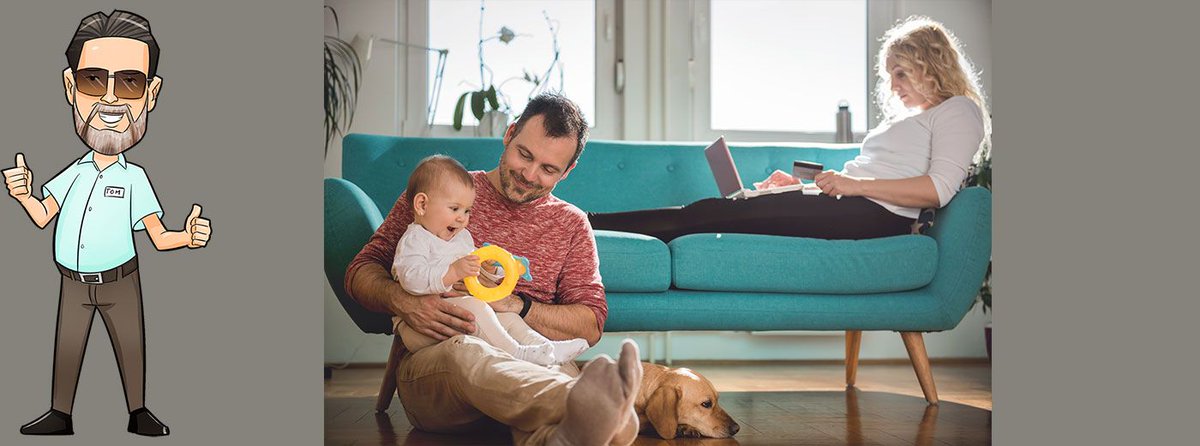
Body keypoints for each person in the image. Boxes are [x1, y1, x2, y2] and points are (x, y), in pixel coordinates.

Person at [345, 93, 644, 446]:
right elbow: (360, 271)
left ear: (568, 171)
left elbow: (590, 324)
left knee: (551, 372)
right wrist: (405, 302)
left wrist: (517, 305)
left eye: (548, 169)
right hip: (445, 365)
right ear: (509, 133)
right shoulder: (445, 191)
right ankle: (593, 412)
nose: (529, 174)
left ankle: (568, 429)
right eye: (524, 155)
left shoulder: (571, 225)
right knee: (471, 353)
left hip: (535, 361)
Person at [588, 16, 991, 242]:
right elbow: (870, 175)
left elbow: (938, 190)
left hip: (874, 216)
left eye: (901, 73)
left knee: (709, 214)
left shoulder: (959, 110)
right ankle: (587, 223)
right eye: (890, 76)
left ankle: (587, 224)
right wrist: (805, 187)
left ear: (930, 65)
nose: (894, 85)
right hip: (851, 203)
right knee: (716, 210)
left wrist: (853, 185)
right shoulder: (912, 119)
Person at [3, 10, 211, 437]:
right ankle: (59, 414)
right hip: (72, 282)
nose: (111, 100)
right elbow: (43, 215)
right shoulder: (74, 172)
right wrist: (23, 194)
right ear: (70, 86)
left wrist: (187, 238)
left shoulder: (135, 180)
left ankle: (138, 412)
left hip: (121, 282)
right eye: (93, 80)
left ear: (151, 94)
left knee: (130, 346)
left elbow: (157, 236)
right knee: (66, 347)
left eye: (130, 82)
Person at [390, 154, 590, 366]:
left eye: (467, 211)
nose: (462, 218)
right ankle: (518, 352)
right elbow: (411, 279)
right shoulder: (415, 240)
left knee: (508, 317)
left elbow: (473, 269)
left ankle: (544, 347)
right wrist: (453, 272)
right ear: (422, 205)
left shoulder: (460, 237)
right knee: (478, 308)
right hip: (424, 327)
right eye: (454, 209)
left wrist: (490, 270)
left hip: (462, 311)